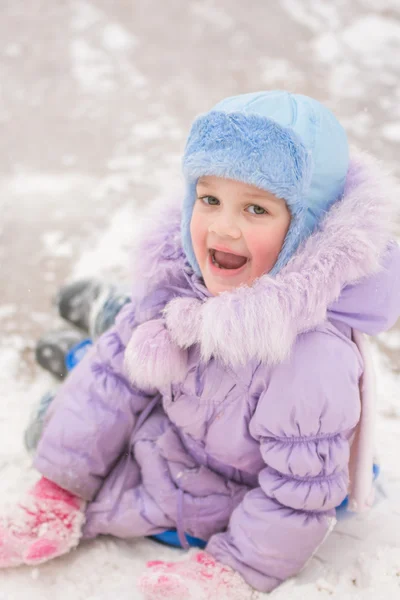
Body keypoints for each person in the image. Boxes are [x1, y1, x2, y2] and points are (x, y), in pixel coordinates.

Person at [1, 90, 400, 600]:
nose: (223, 227)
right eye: (209, 199)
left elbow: (299, 494)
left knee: (43, 420)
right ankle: (109, 312)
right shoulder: (182, 274)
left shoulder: (310, 361)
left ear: (306, 228)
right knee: (113, 359)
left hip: (218, 470)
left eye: (256, 208)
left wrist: (236, 567)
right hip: (185, 408)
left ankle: (94, 328)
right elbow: (111, 377)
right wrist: (58, 486)